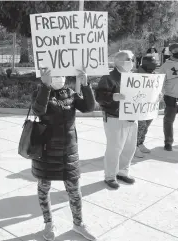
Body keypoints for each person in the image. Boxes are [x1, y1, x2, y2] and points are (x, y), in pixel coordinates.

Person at [32, 68, 96, 241]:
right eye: (55, 75)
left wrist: (86, 85)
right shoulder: (40, 91)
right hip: (46, 150)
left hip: (69, 149)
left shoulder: (70, 93)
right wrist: (45, 86)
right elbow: (38, 111)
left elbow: (90, 107)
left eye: (61, 75)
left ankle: (78, 223)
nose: (59, 78)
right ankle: (48, 223)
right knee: (44, 188)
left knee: (74, 189)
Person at [95, 51, 137, 189]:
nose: (132, 61)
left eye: (132, 59)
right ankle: (110, 176)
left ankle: (123, 172)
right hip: (115, 117)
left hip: (132, 117)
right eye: (128, 59)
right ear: (118, 61)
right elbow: (100, 97)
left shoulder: (133, 76)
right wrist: (113, 96)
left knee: (129, 148)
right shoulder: (108, 77)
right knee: (115, 149)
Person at [134, 56, 159, 158]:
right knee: (140, 126)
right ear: (145, 63)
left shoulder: (154, 75)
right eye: (153, 63)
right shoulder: (135, 74)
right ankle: (134, 146)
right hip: (139, 105)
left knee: (146, 126)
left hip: (150, 106)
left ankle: (140, 143)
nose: (155, 65)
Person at [158, 43, 178, 151]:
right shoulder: (165, 66)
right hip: (171, 97)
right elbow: (159, 82)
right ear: (170, 52)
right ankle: (168, 142)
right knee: (169, 120)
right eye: (175, 50)